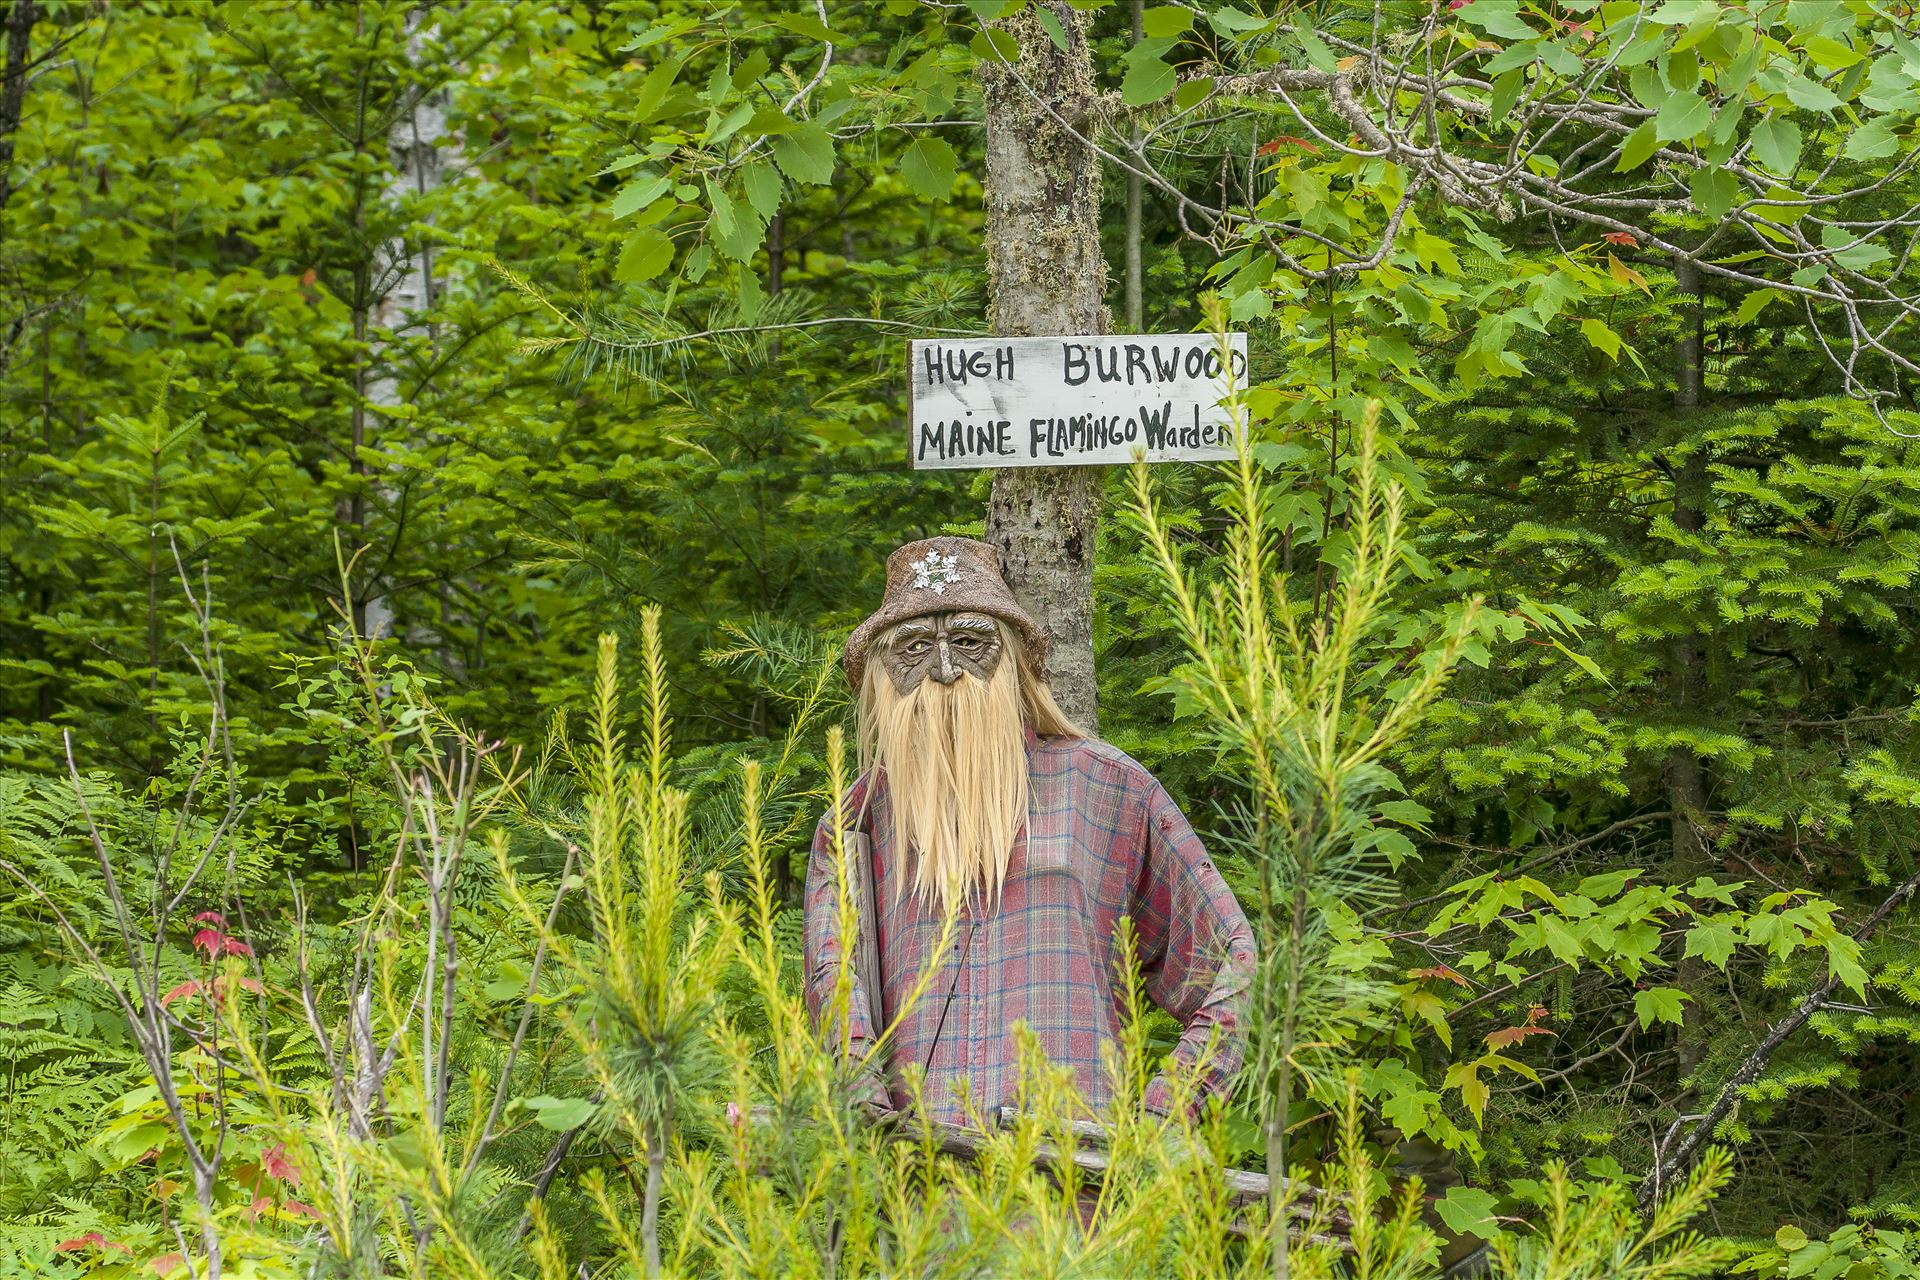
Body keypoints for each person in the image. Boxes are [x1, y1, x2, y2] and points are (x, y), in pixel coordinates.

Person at [803, 536, 1255, 1127]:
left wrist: (1164, 1119)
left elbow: (1232, 963)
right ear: (881, 678)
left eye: (969, 644)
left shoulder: (1107, 788)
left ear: (1013, 659)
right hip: (918, 1193)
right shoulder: (857, 822)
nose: (944, 672)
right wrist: (862, 1105)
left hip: (1077, 1189)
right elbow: (833, 982)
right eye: (914, 649)